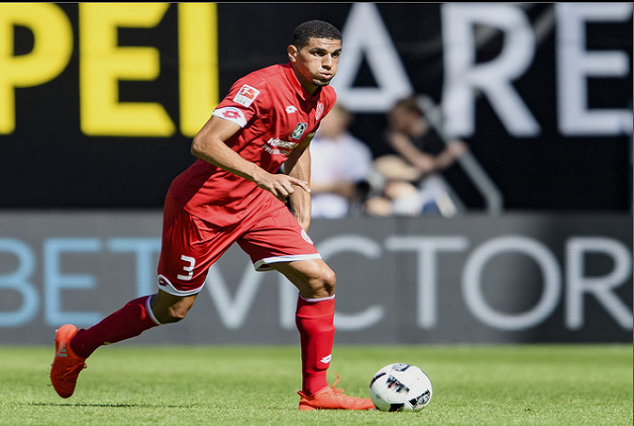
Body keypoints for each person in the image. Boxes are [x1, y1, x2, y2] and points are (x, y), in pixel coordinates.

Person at [50, 20, 374, 411]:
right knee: (173, 309)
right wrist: (262, 175)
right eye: (318, 53)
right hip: (203, 206)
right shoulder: (260, 87)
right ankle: (77, 345)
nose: (328, 63)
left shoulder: (325, 97)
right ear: (293, 54)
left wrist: (300, 197)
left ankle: (316, 393)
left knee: (320, 280)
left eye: (335, 55)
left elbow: (300, 140)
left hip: (257, 203)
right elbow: (204, 142)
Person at [365, 96, 468, 217]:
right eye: (392, 116)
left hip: (427, 190)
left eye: (399, 116)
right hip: (396, 190)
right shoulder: (394, 136)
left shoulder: (430, 135)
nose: (394, 120)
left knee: (439, 195)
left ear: (414, 115)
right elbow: (425, 165)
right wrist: (447, 156)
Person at [309, 103, 373, 218]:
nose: (322, 122)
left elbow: (357, 189)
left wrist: (320, 187)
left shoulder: (357, 150)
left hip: (347, 214)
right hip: (311, 211)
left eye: (327, 118)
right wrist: (336, 187)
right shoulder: (306, 146)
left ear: (342, 122)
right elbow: (300, 184)